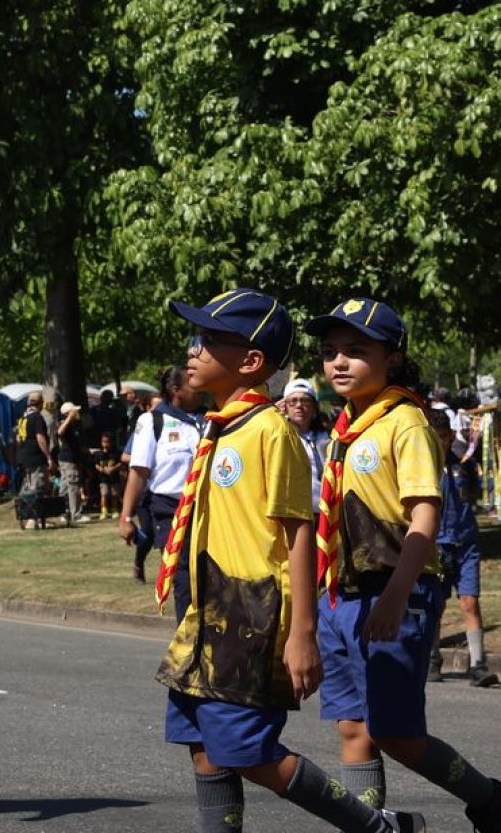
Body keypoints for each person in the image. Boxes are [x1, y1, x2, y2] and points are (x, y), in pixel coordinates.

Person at [155, 288, 423, 833]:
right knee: (203, 747)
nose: (193, 349)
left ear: (251, 361)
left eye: (209, 340)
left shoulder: (269, 432)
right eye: (195, 337)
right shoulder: (221, 427)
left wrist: (303, 632)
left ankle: (377, 827)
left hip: (250, 617)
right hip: (206, 615)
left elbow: (301, 533)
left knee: (251, 753)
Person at [306, 298, 501, 827]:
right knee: (353, 728)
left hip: (395, 593)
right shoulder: (347, 428)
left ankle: (489, 797)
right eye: (329, 353)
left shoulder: (404, 421)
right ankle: (373, 826)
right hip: (342, 594)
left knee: (396, 731)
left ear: (391, 358)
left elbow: (424, 519)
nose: (338, 363)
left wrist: (395, 596)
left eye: (355, 351)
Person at [424, 406, 497, 688]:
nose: (440, 442)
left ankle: (478, 664)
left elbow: (477, 490)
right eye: (435, 436)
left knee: (470, 602)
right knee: (436, 604)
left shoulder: (463, 463)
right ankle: (432, 659)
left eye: (444, 436)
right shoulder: (422, 467)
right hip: (436, 544)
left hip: (466, 543)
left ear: (451, 435)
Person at [119, 364, 205, 595]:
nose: (200, 388)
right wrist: (126, 517)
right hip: (170, 510)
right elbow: (138, 473)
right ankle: (186, 631)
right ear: (176, 390)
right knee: (184, 580)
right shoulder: (152, 422)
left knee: (211, 582)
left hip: (209, 510)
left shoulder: (211, 418)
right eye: (192, 384)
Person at [282, 378, 331, 503]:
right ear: (285, 407)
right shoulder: (281, 438)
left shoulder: (325, 438)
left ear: (314, 407)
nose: (299, 405)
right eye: (293, 401)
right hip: (291, 511)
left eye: (305, 401)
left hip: (322, 511)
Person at [55, 400, 88, 524]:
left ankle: (66, 513)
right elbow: (60, 432)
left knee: (66, 486)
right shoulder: (64, 423)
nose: (77, 413)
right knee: (72, 486)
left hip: (71, 458)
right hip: (67, 459)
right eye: (74, 411)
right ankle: (75, 514)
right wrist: (69, 417)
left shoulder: (75, 425)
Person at [92, 432, 123, 521]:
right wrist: (101, 469)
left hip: (114, 478)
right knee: (104, 494)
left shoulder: (116, 453)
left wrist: (113, 468)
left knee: (114, 495)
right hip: (103, 478)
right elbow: (96, 464)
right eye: (103, 442)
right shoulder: (99, 454)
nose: (105, 444)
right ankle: (104, 510)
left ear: (111, 443)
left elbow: (121, 463)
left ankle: (114, 510)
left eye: (107, 442)